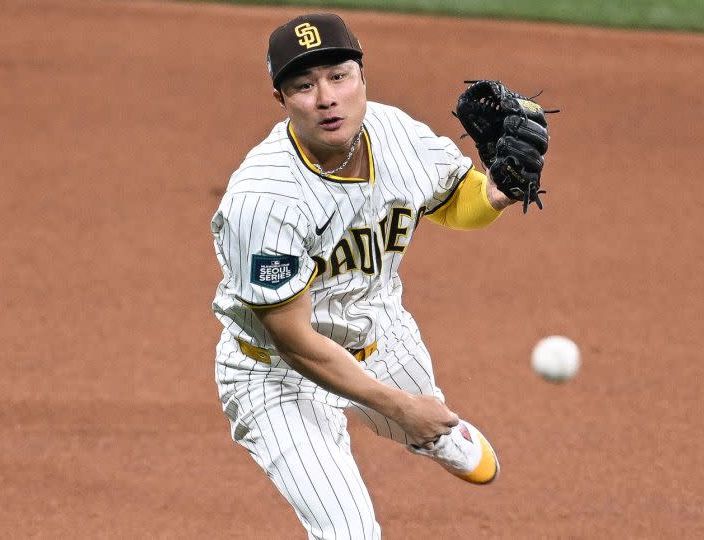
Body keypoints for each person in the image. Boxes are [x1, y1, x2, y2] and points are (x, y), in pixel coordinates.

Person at [210, 13, 550, 539]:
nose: (326, 98)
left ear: (362, 77)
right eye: (304, 85)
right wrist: (403, 408)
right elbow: (294, 341)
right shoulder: (263, 199)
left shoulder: (396, 134)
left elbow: (456, 203)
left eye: (338, 76)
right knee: (353, 534)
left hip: (379, 332)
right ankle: (419, 422)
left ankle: (430, 432)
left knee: (427, 417)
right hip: (275, 374)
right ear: (281, 101)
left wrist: (495, 196)